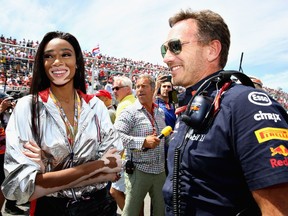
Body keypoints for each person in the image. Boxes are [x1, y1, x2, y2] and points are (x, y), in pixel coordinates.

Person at [161, 9, 288, 215]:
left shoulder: (245, 104)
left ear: (212, 49)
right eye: (164, 50)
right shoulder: (190, 107)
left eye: (175, 47)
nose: (166, 58)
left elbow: (279, 208)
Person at [1, 31, 123, 216]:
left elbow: (114, 169)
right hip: (52, 209)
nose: (57, 61)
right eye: (49, 56)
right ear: (42, 64)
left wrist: (47, 173)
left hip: (101, 206)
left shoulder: (95, 105)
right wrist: (98, 166)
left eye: (66, 54)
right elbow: (20, 186)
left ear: (77, 62)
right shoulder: (28, 106)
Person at [115, 74, 167, 216]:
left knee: (160, 212)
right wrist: (143, 141)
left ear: (153, 88)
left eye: (143, 86)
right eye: (137, 87)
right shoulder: (129, 112)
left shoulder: (160, 112)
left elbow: (163, 138)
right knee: (131, 212)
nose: (139, 90)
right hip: (138, 170)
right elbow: (116, 137)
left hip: (160, 171)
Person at [109, 76, 136, 211]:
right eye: (113, 88)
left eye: (117, 88)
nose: (114, 91)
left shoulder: (124, 105)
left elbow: (118, 136)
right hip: (134, 155)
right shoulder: (133, 101)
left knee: (115, 192)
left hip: (126, 156)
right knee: (133, 195)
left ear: (127, 89)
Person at [0, 93, 25, 215]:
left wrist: (17, 111)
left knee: (7, 181)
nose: (9, 103)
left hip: (8, 152)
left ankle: (9, 205)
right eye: (6, 101)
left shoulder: (9, 114)